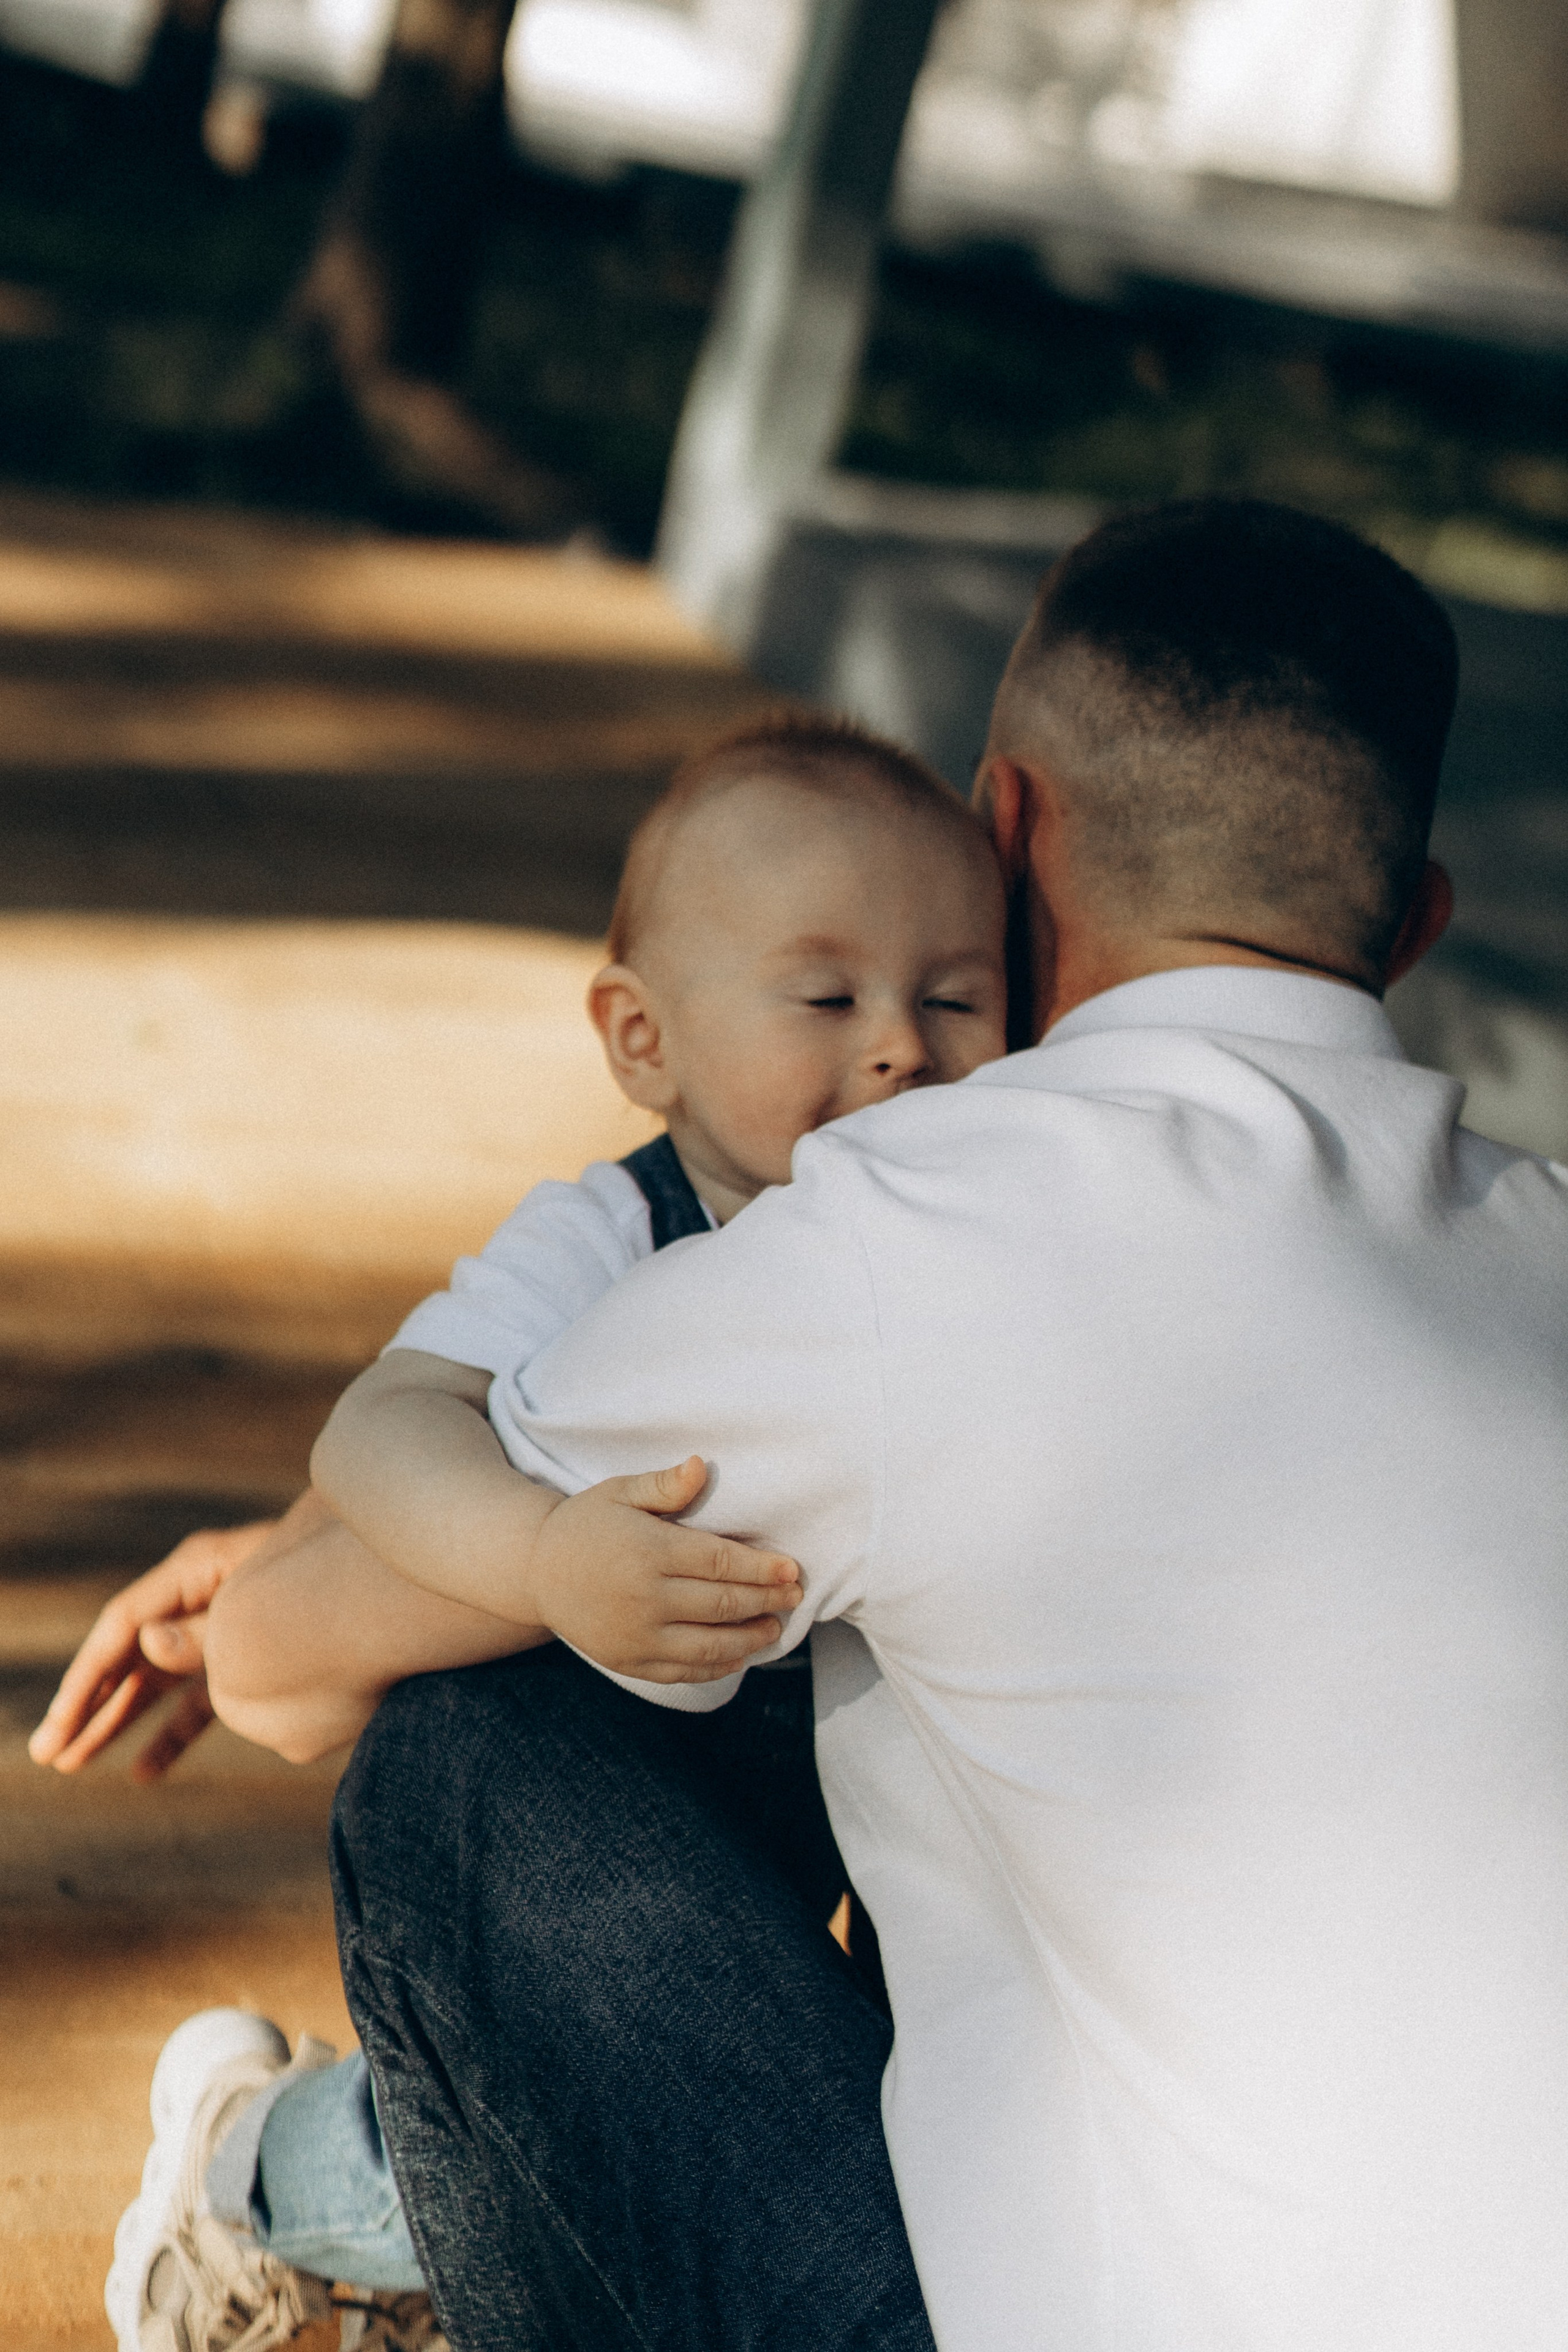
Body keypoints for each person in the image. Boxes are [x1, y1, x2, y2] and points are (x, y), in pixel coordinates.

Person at [44, 495, 1568, 2352]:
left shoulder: (912, 1234)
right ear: (1411, 928)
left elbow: (288, 1675)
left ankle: (294, 2197)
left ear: (1005, 833)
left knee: (470, 1757)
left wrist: (276, 1582)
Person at [37, 714, 1009, 2351]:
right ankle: (246, 2180)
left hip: (832, 1903)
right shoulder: (612, 1234)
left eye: (962, 998)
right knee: (592, 2110)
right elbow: (395, 1425)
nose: (904, 1046)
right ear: (647, 1041)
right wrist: (542, 1557)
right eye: (829, 999)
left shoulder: (971, 1240)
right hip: (623, 1849)